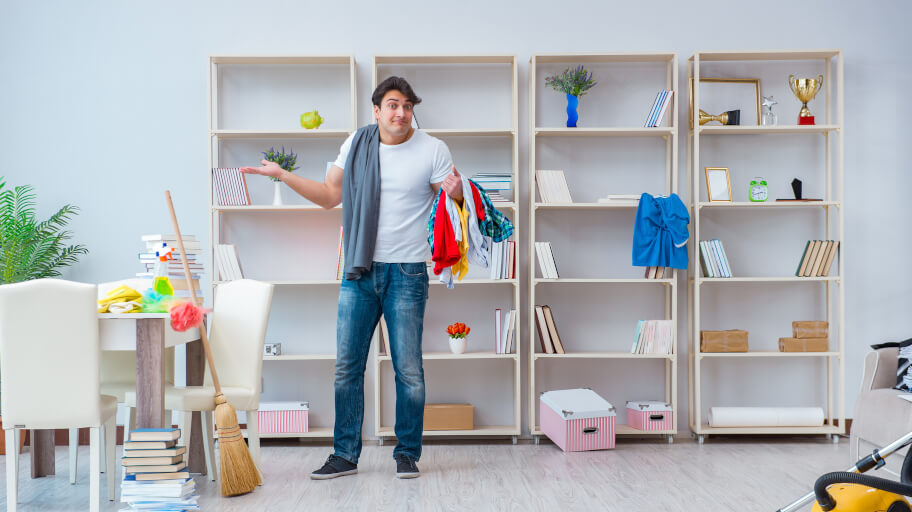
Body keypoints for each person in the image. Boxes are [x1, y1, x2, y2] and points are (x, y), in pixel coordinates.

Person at [241, 76, 463, 480]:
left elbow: (451, 204)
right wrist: (281, 175)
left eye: (408, 106)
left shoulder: (433, 149)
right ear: (376, 110)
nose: (401, 113)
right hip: (360, 270)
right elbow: (329, 196)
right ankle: (344, 455)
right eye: (393, 105)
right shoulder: (356, 144)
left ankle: (407, 453)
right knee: (347, 366)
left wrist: (460, 192)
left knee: (408, 369)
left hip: (408, 272)